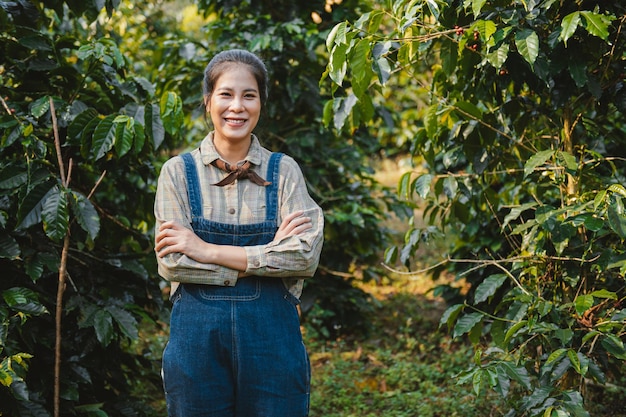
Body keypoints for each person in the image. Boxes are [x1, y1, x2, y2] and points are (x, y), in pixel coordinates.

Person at [153, 49, 324, 417]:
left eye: (249, 95)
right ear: (208, 100)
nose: (237, 106)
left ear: (261, 102)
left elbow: (305, 256)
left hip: (273, 341)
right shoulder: (177, 173)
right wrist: (270, 254)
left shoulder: (285, 171)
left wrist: (206, 249)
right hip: (198, 344)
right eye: (226, 94)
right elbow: (173, 263)